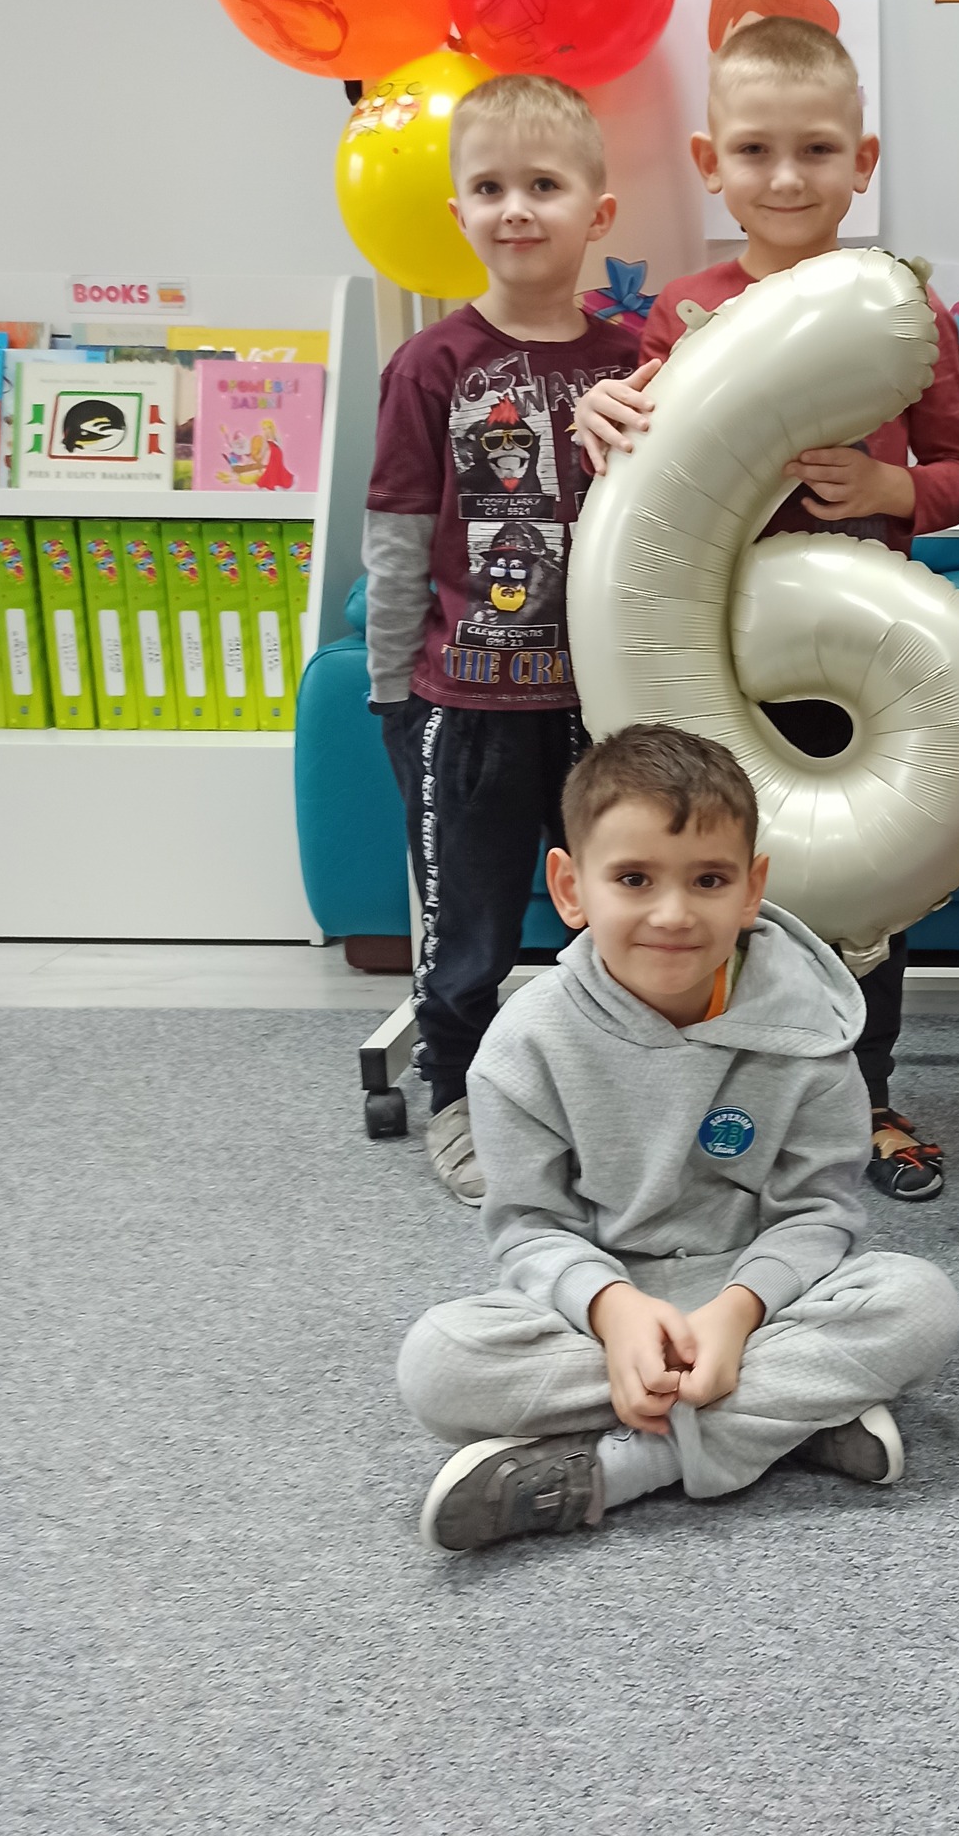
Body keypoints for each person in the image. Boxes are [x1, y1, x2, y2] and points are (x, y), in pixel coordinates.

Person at [573, 15, 959, 1205]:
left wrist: (892, 489)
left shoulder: (903, 309)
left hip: (854, 663)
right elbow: (639, 472)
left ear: (862, 162)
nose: (787, 178)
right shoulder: (685, 311)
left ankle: (864, 1093)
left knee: (861, 888)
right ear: (711, 164)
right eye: (755, 151)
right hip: (708, 652)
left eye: (816, 150)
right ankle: (723, 1101)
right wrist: (597, 413)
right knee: (718, 876)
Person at [396, 723, 959, 1554]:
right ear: (570, 888)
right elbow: (528, 1228)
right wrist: (614, 1312)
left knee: (919, 1303)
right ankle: (791, 1419)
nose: (673, 914)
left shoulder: (811, 1028)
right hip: (604, 1307)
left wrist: (736, 1315)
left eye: (709, 880)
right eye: (633, 879)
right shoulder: (524, 1045)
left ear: (751, 888)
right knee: (440, 1362)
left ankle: (624, 1465)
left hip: (759, 1302)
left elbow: (820, 1215)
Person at [364, 74, 642, 1204]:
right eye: (488, 188)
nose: (515, 207)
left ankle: (606, 1093)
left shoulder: (632, 361)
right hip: (465, 705)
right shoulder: (430, 365)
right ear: (457, 214)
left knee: (618, 918)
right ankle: (456, 1095)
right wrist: (392, 692)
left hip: (604, 706)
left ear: (597, 212)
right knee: (467, 927)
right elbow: (395, 535)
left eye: (543, 185)